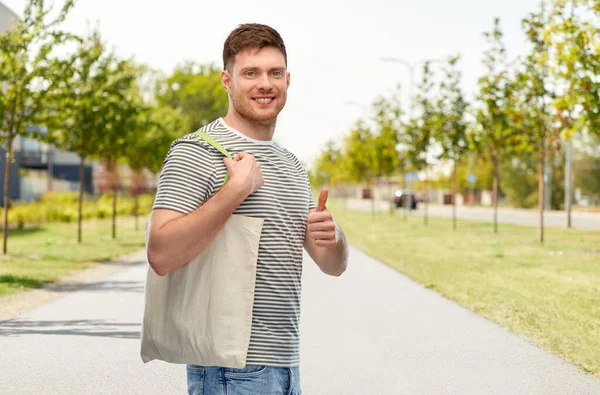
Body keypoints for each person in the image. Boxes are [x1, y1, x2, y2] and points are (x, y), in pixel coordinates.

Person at [146, 23, 349, 394]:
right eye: (250, 73)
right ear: (227, 81)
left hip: (286, 364)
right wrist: (235, 190)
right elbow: (160, 253)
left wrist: (333, 238)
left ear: (288, 80)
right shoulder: (196, 152)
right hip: (230, 369)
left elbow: (332, 265)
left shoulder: (292, 166)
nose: (265, 84)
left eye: (274, 73)